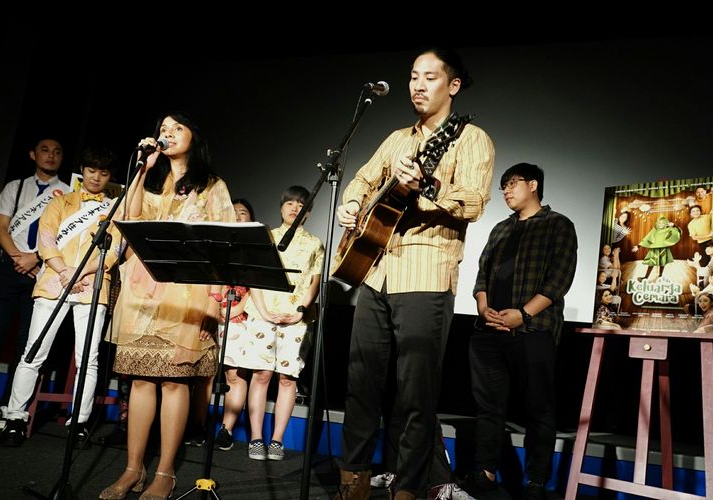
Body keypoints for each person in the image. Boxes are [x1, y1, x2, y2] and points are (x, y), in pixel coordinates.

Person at [335, 48, 495, 500]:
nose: (418, 85)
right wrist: (352, 204)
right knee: (361, 382)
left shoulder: (471, 138)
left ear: (453, 85)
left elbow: (475, 201)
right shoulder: (395, 139)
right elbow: (362, 180)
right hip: (374, 270)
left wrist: (427, 187)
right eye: (412, 77)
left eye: (429, 77)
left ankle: (407, 488)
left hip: (426, 272)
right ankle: (354, 481)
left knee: (415, 393)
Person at [99, 112, 235, 500]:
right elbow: (129, 218)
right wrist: (143, 170)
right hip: (143, 295)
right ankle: (131, 470)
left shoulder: (211, 185)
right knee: (141, 380)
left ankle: (165, 472)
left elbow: (222, 243)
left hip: (188, 295)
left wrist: (215, 301)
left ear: (195, 135)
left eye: (177, 128)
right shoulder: (151, 176)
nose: (168, 133)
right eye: (163, 128)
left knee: (175, 381)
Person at [465, 163, 577, 500]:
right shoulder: (500, 228)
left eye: (512, 183)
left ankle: (535, 482)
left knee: (538, 407)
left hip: (534, 330)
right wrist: (484, 307)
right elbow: (482, 273)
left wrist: (523, 315)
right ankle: (485, 472)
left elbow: (560, 278)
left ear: (533, 185)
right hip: (489, 330)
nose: (506, 191)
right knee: (488, 407)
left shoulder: (558, 225)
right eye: (503, 186)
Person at [0, 147, 120, 447]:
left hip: (92, 286)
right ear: (83, 170)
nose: (96, 177)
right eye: (91, 170)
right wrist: (64, 271)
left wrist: (77, 274)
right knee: (34, 351)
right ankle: (15, 416)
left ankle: (78, 421)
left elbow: (114, 251)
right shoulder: (61, 201)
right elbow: (46, 239)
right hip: (54, 282)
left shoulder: (114, 210)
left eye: (103, 173)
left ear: (109, 177)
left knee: (88, 359)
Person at [0, 136, 69, 422]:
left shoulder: (68, 193)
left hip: (43, 272)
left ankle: (11, 405)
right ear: (32, 155)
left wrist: (36, 259)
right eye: (44, 150)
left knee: (26, 342)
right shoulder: (15, 188)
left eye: (56, 151)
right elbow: (0, 228)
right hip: (10, 267)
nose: (50, 156)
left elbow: (66, 236)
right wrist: (19, 257)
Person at [241, 186, 324, 460]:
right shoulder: (266, 238)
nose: (294, 209)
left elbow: (314, 282)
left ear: (308, 212)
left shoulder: (315, 243)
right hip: (263, 314)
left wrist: (301, 312)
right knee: (261, 374)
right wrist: (264, 312)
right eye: (289, 203)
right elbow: (254, 277)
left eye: (300, 206)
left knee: (287, 379)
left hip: (295, 319)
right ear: (281, 207)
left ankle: (277, 440)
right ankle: (255, 437)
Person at [185, 198, 256, 451]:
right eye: (233, 212)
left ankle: (226, 430)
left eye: (243, 213)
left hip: (239, 319)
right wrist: (212, 312)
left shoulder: (254, 251)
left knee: (235, 375)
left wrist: (233, 311)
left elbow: (256, 290)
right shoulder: (211, 248)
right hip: (209, 317)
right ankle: (197, 426)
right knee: (204, 374)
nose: (237, 216)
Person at [632, 215, 681, 281]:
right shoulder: (655, 230)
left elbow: (678, 233)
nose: (661, 224)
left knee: (662, 262)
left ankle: (660, 276)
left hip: (664, 248)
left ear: (666, 223)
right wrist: (638, 246)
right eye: (659, 223)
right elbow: (648, 237)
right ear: (657, 223)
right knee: (651, 263)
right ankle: (646, 277)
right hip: (654, 249)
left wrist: (674, 226)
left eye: (663, 223)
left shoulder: (669, 229)